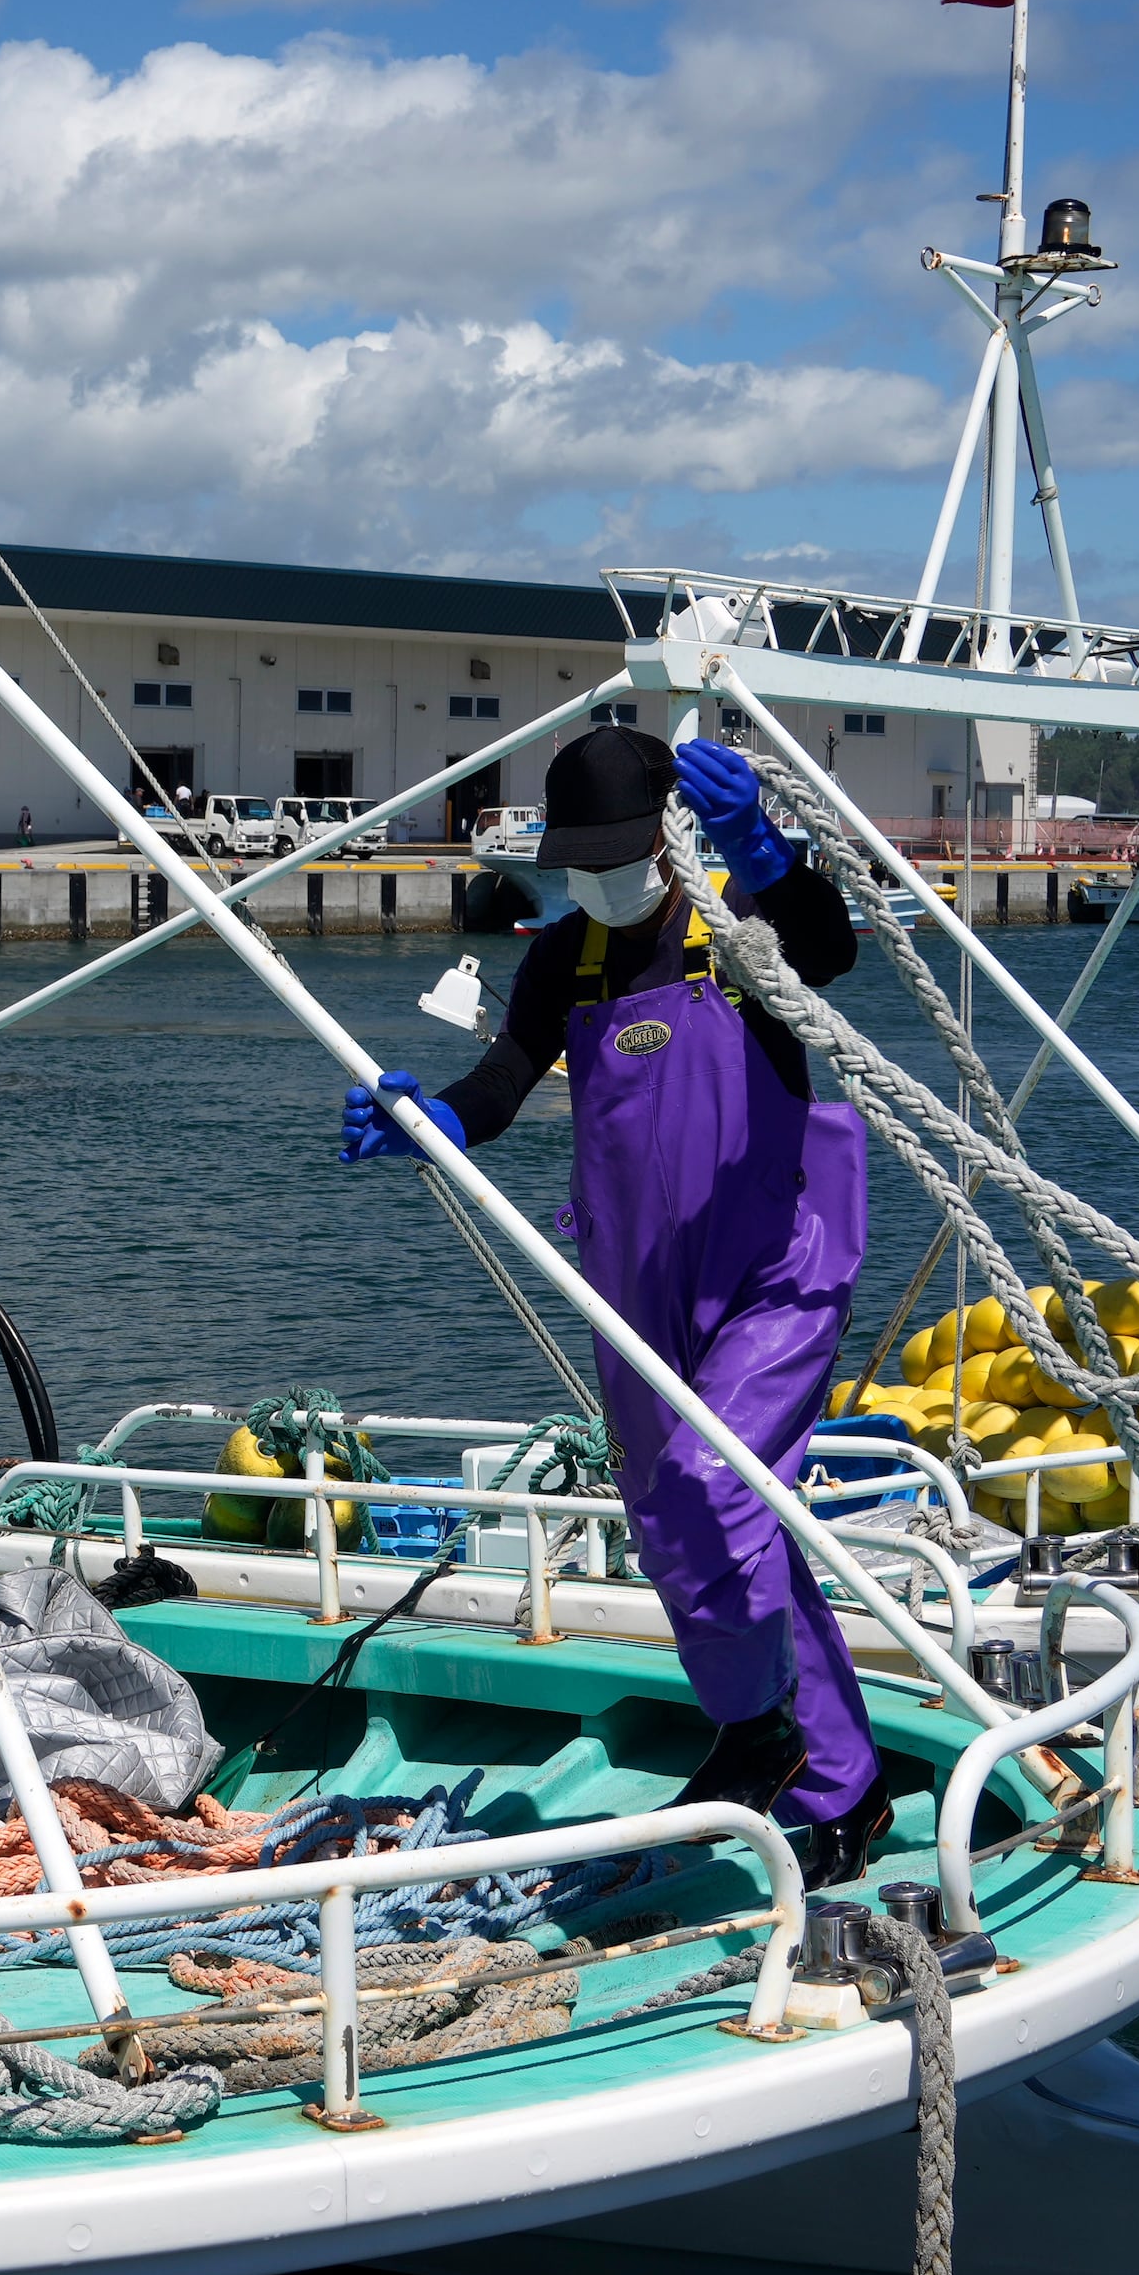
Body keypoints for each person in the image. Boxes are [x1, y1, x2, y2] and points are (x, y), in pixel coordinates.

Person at [337, 727, 886, 1883]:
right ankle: (840, 1784)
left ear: (668, 833)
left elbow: (827, 951)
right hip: (636, 1285)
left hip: (772, 1272)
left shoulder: (735, 930)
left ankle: (757, 1734)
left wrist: (764, 853)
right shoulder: (565, 960)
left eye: (617, 850)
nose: (598, 874)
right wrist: (429, 1118)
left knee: (714, 1482)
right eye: (577, 855)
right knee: (687, 1538)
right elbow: (502, 1076)